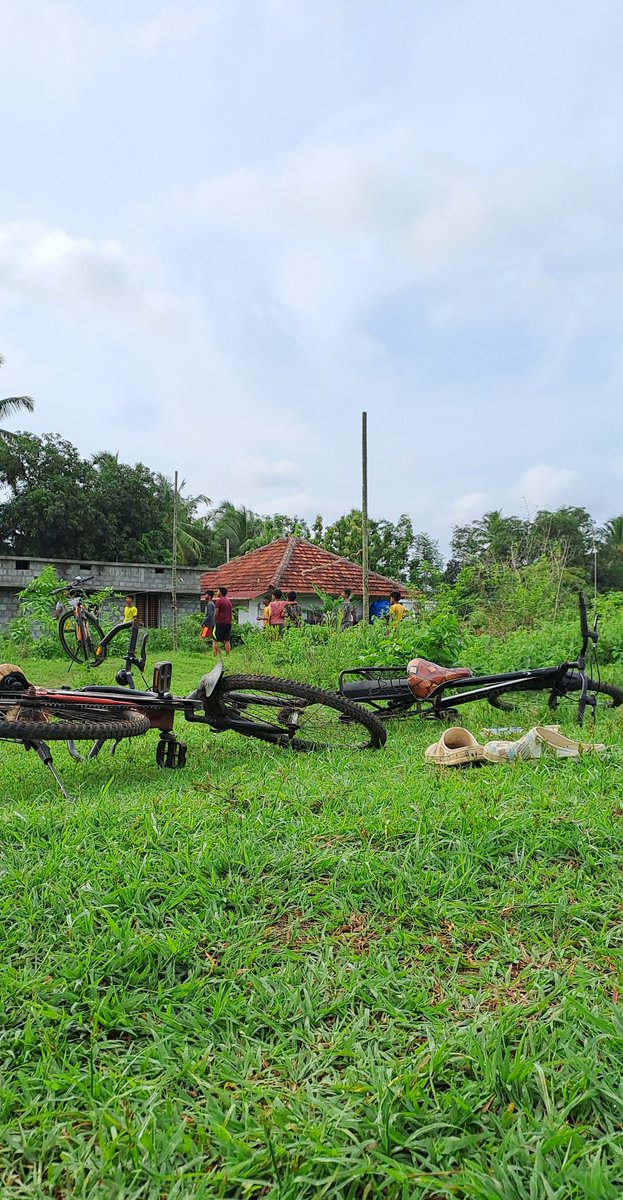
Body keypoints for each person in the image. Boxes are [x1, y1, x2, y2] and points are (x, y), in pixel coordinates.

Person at [213, 586, 233, 655]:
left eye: (217, 591)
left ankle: (216, 654)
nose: (216, 593)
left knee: (215, 639)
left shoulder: (219, 601)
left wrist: (214, 621)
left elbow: (216, 613)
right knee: (226, 640)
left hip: (220, 622)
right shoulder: (229, 602)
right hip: (228, 623)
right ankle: (228, 655)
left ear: (221, 593)